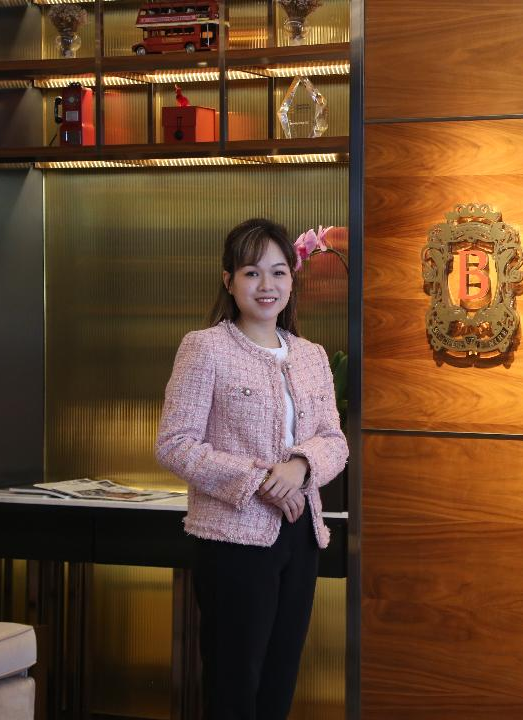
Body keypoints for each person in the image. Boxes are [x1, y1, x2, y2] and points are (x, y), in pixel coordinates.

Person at [155, 217, 348, 720]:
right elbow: (175, 444)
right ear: (229, 281)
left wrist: (301, 466)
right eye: (251, 272)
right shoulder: (205, 348)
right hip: (232, 540)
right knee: (234, 684)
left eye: (279, 272)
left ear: (292, 281)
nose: (267, 285)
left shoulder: (311, 355)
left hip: (301, 537)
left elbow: (334, 441)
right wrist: (261, 480)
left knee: (280, 680)